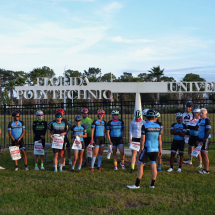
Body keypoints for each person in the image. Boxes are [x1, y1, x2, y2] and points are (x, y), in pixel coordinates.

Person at [127, 109, 162, 189]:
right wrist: (160, 150)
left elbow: (142, 139)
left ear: (146, 116)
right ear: (154, 117)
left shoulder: (145, 126)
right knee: (153, 166)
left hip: (147, 148)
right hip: (155, 149)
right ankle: (152, 185)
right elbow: (160, 139)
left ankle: (137, 185)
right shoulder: (158, 126)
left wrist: (140, 149)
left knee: (140, 165)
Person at [197, 108, 211, 174]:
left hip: (206, 139)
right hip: (200, 139)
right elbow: (198, 130)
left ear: (206, 114)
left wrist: (203, 141)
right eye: (200, 113)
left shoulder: (207, 120)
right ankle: (204, 169)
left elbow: (207, 132)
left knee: (205, 154)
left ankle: (207, 170)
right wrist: (198, 140)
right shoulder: (199, 120)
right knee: (202, 154)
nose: (201, 114)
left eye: (202, 113)